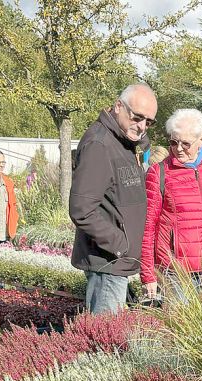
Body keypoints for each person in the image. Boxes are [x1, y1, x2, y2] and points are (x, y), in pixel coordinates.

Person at [70, 83, 157, 314]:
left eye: (149, 122)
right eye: (137, 117)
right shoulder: (99, 145)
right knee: (105, 332)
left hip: (117, 262)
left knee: (112, 330)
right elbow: (81, 209)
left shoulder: (123, 142)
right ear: (118, 106)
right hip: (107, 262)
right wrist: (120, 245)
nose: (142, 126)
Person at [142, 108, 202, 300]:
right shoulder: (159, 173)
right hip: (176, 272)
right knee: (178, 319)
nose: (178, 148)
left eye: (185, 143)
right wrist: (148, 274)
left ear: (201, 140)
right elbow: (148, 227)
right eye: (173, 142)